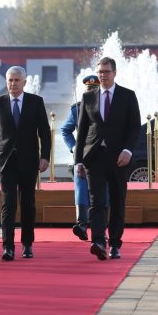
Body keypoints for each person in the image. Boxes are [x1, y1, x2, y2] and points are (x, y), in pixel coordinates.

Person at [75, 57, 140, 261]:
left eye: (107, 71)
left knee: (117, 201)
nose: (103, 75)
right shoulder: (89, 97)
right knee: (96, 201)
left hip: (118, 158)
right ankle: (98, 242)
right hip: (94, 157)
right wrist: (78, 160)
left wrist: (128, 150)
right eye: (100, 71)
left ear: (114, 72)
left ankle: (115, 244)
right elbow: (82, 130)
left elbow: (134, 127)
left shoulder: (127, 96)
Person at [0, 66, 50, 261]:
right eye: (10, 80)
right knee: (8, 203)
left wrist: (45, 157)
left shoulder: (35, 102)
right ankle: (8, 247)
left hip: (29, 160)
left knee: (28, 202)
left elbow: (45, 133)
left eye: (16, 80)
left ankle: (27, 244)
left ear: (24, 82)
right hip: (5, 161)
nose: (13, 84)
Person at [61, 75, 100, 241]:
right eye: (88, 89)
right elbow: (65, 130)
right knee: (81, 187)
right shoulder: (76, 109)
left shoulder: (105, 106)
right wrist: (74, 147)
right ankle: (82, 224)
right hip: (82, 155)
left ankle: (99, 226)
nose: (90, 91)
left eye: (93, 88)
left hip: (100, 154)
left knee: (100, 190)